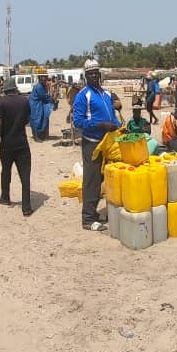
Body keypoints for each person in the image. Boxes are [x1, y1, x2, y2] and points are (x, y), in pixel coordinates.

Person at [72, 59, 120, 231]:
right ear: (86, 76)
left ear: (99, 74)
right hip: (92, 144)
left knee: (101, 179)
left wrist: (118, 126)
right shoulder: (83, 95)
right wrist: (100, 125)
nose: (93, 76)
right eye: (90, 74)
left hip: (107, 145)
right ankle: (87, 219)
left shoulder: (106, 94)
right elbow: (78, 121)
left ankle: (93, 212)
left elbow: (112, 116)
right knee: (91, 181)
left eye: (95, 73)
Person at [0, 77, 33, 216]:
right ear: (15, 88)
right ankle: (26, 208)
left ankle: (5, 196)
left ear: (5, 89)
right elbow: (27, 120)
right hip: (22, 143)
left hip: (6, 145)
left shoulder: (1, 103)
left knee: (6, 171)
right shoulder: (24, 101)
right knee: (25, 175)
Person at [29, 75, 56, 142]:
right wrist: (52, 100)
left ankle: (41, 135)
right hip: (35, 105)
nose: (44, 80)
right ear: (40, 79)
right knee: (37, 119)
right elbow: (43, 96)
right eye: (43, 79)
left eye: (45, 79)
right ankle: (36, 137)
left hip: (39, 103)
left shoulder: (42, 86)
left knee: (41, 118)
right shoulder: (39, 86)